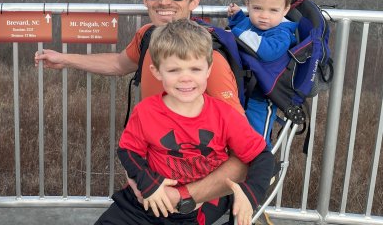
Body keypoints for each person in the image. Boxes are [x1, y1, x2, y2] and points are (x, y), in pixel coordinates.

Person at [35, 0, 246, 206]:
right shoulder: (148, 37)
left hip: (195, 197)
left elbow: (243, 158)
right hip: (153, 179)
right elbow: (118, 63)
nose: (164, 0)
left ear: (194, 0)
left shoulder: (208, 61)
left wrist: (182, 197)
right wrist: (67, 59)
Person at [95, 19, 274, 225]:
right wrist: (149, 183)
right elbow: (128, 151)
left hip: (187, 212)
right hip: (142, 203)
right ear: (156, 72)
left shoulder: (225, 116)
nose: (185, 78)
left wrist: (250, 195)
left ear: (208, 70)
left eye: (195, 69)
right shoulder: (146, 112)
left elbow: (261, 156)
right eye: (174, 70)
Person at [227, 0, 297, 146]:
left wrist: (233, 34)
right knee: (238, 132)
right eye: (257, 8)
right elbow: (247, 27)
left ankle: (262, 167)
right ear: (248, 4)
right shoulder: (255, 23)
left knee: (258, 137)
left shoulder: (282, 33)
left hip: (263, 96)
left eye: (273, 10)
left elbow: (266, 51)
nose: (264, 16)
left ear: (286, 9)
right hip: (242, 91)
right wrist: (237, 18)